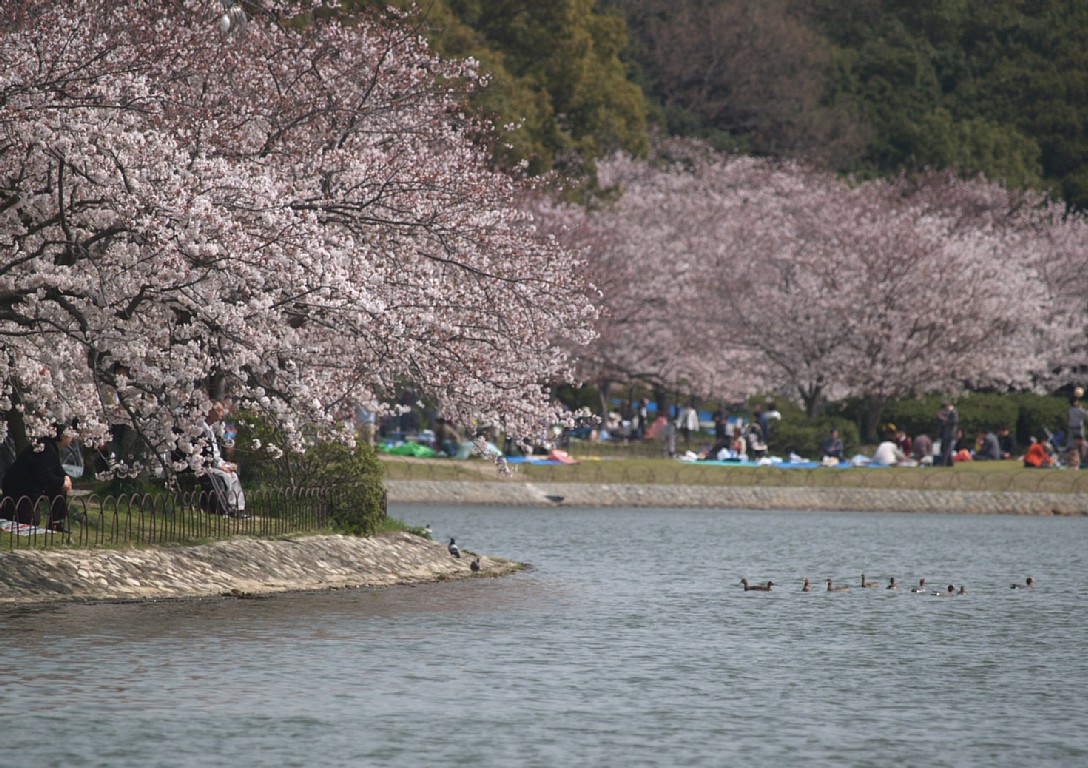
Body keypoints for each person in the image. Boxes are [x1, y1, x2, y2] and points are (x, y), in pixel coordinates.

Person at [0, 423, 74, 532]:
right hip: (22, 487)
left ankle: (56, 522)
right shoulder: (45, 448)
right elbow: (44, 474)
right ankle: (6, 513)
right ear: (63, 436)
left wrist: (65, 477)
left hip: (33, 485)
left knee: (59, 488)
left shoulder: (51, 446)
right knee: (30, 521)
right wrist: (61, 482)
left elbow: (56, 467)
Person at [202, 402, 247, 517]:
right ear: (210, 411)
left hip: (216, 462)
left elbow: (215, 453)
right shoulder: (202, 428)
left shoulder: (211, 428)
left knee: (233, 474)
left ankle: (238, 508)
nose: (221, 414)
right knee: (226, 475)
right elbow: (206, 453)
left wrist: (225, 463)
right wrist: (220, 465)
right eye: (219, 411)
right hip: (206, 465)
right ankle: (230, 507)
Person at [936, 402, 958, 467]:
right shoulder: (949, 413)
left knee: (946, 449)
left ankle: (944, 463)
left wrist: (943, 418)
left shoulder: (953, 412)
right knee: (947, 449)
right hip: (946, 433)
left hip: (950, 433)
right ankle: (950, 463)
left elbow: (953, 422)